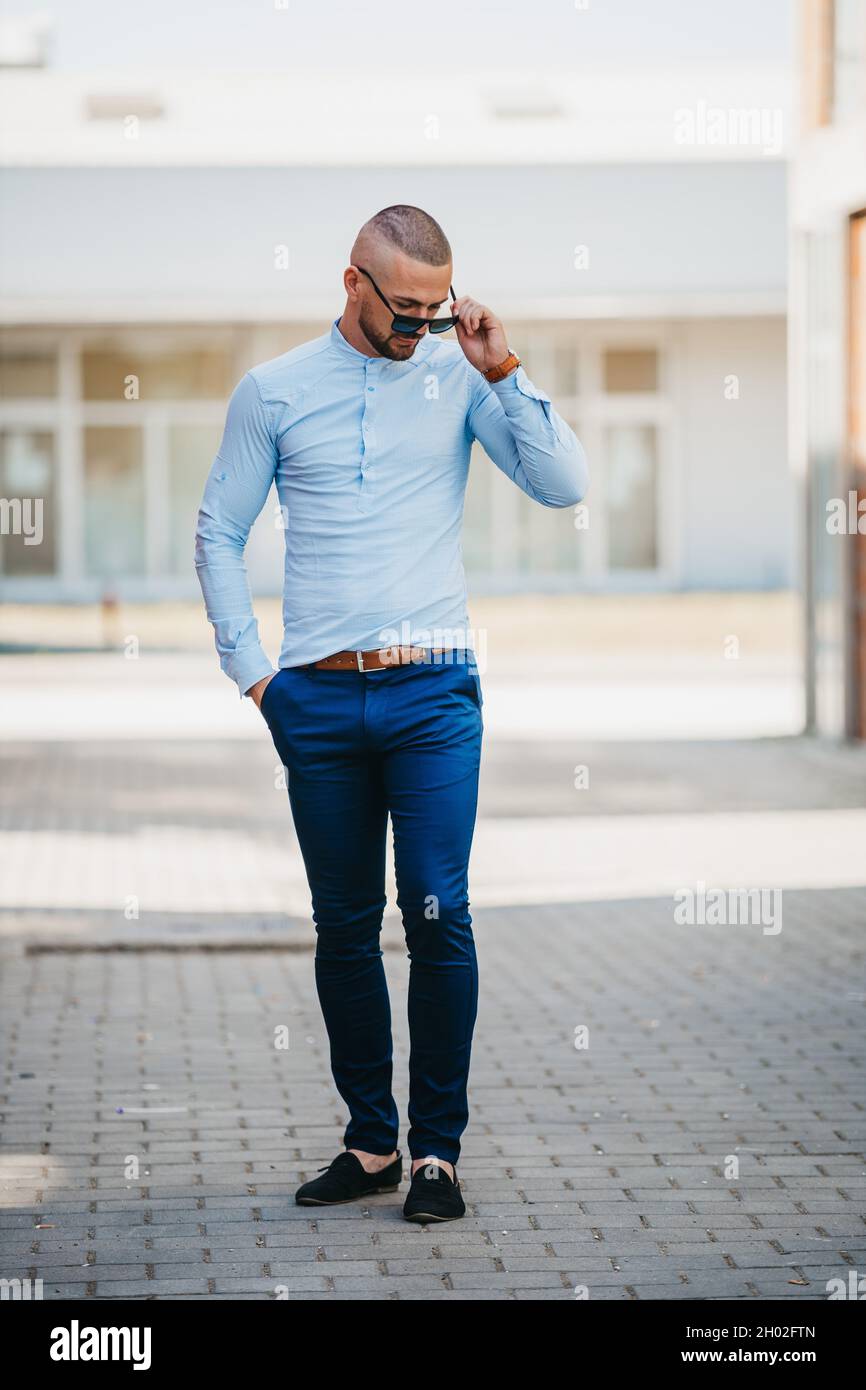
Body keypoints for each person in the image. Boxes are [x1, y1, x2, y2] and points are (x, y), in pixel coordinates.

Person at [195, 204, 588, 1223]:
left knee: (434, 909)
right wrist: (257, 679)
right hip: (315, 696)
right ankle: (371, 1142)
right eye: (401, 309)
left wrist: (503, 370)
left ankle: (436, 1155)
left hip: (432, 690)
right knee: (341, 926)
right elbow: (217, 529)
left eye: (434, 307)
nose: (418, 327)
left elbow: (562, 484)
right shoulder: (273, 390)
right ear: (350, 283)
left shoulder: (461, 376)